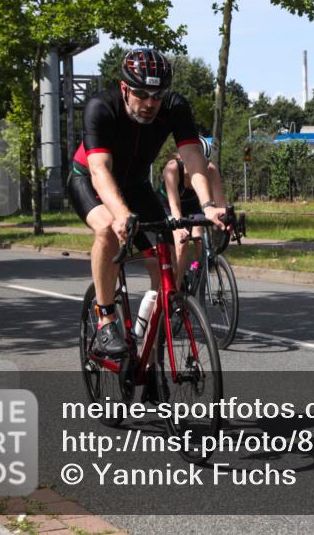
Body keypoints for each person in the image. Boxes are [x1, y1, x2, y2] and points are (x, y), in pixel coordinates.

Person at [67, 48, 227, 357]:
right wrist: (121, 214)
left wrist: (208, 205)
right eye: (141, 94)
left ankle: (151, 359)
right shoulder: (101, 107)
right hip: (89, 180)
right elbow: (100, 170)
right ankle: (105, 320)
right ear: (124, 88)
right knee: (107, 229)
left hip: (137, 186)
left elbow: (194, 158)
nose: (151, 103)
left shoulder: (175, 107)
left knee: (167, 262)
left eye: (157, 95)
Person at [158, 136, 227, 286]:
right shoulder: (172, 169)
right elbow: (174, 204)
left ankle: (194, 269)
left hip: (191, 205)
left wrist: (227, 218)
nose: (199, 167)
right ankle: (176, 288)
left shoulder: (210, 170)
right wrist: (179, 227)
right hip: (168, 206)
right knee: (182, 244)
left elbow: (220, 202)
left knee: (199, 238)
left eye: (203, 164)